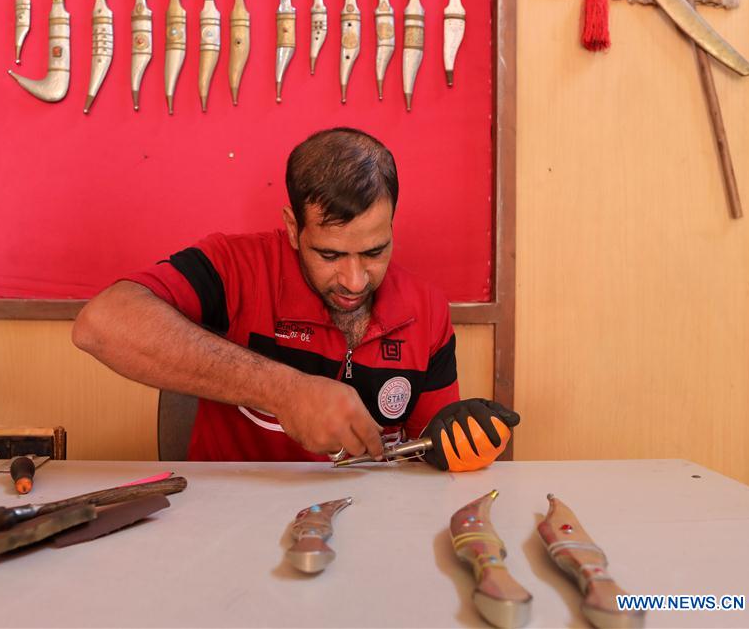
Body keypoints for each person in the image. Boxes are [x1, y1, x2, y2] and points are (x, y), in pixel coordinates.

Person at [72, 127, 518, 468]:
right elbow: (102, 324)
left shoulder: (427, 310)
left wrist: (456, 445)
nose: (355, 280)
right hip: (229, 526)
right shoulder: (234, 267)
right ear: (292, 227)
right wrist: (287, 392)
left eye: (375, 251)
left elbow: (428, 459)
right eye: (329, 254)